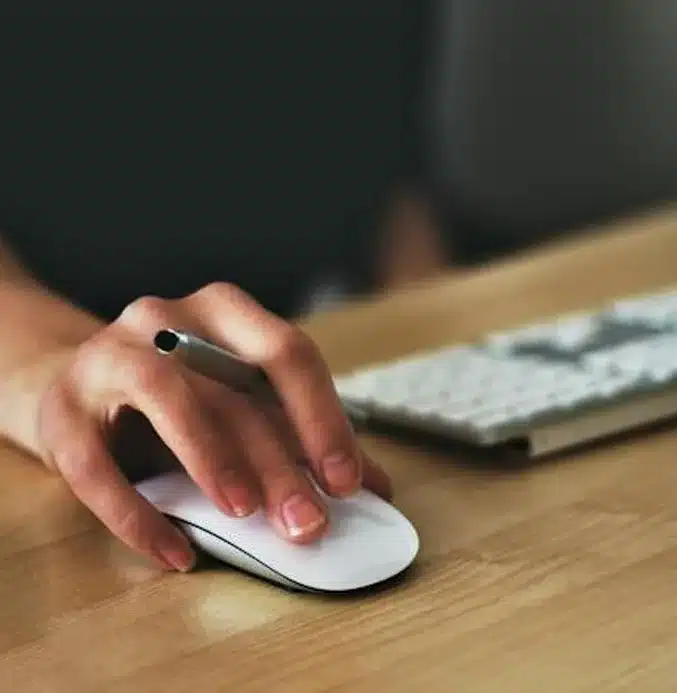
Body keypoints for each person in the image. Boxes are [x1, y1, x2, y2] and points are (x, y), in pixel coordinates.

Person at [2, 2, 676, 575]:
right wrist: (57, 372)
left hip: (296, 375)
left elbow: (388, 178)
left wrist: (464, 366)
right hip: (70, 358)